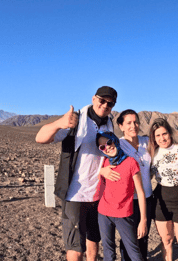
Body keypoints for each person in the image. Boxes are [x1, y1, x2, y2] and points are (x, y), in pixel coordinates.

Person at [35, 86, 117, 261]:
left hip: (98, 195)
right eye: (102, 101)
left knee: (93, 240)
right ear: (94, 99)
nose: (105, 105)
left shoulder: (109, 124)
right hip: (75, 195)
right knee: (75, 248)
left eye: (110, 104)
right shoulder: (75, 120)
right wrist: (59, 124)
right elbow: (40, 138)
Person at [100, 109, 155, 260]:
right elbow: (99, 159)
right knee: (128, 241)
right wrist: (102, 170)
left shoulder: (147, 142)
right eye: (129, 123)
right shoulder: (118, 145)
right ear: (121, 126)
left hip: (146, 198)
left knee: (143, 237)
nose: (133, 126)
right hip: (127, 201)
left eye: (136, 122)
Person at [149, 118, 178, 261]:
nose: (162, 138)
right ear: (154, 138)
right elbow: (146, 177)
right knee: (166, 241)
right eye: (157, 135)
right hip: (160, 200)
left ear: (169, 133)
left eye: (164, 134)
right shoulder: (152, 154)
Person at [94, 131, 147, 261]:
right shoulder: (104, 162)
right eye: (102, 147)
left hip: (124, 214)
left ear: (115, 140)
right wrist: (100, 170)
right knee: (108, 251)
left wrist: (143, 219)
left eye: (109, 142)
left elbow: (140, 192)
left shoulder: (131, 162)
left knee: (134, 252)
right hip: (104, 213)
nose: (108, 147)